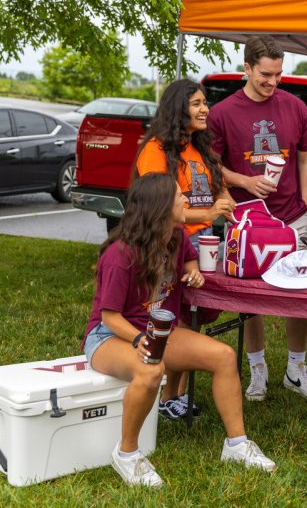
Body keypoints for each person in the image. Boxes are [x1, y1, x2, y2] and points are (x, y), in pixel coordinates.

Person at [81, 173, 275, 487]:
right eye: (178, 196)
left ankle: (237, 445)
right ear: (160, 207)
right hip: (111, 335)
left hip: (160, 332)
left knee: (224, 356)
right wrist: (137, 338)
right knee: (150, 371)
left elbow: (188, 261)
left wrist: (194, 272)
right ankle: (127, 453)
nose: (186, 199)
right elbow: (109, 317)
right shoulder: (120, 255)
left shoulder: (175, 236)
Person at [208, 35, 307, 401]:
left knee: (300, 290)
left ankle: (296, 367)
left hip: (292, 215)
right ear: (246, 68)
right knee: (251, 296)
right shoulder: (223, 113)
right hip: (247, 218)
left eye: (277, 75)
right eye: (264, 75)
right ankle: (258, 368)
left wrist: (305, 201)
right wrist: (243, 181)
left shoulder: (294, 107)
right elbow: (210, 167)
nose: (272, 82)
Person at [135, 78, 235, 418]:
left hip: (203, 244)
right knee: (170, 318)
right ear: (178, 109)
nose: (205, 108)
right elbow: (160, 206)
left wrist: (222, 203)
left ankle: (175, 396)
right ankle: (163, 395)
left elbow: (222, 190)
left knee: (192, 320)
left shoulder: (202, 149)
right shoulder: (156, 151)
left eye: (205, 102)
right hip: (170, 245)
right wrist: (207, 212)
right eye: (196, 104)